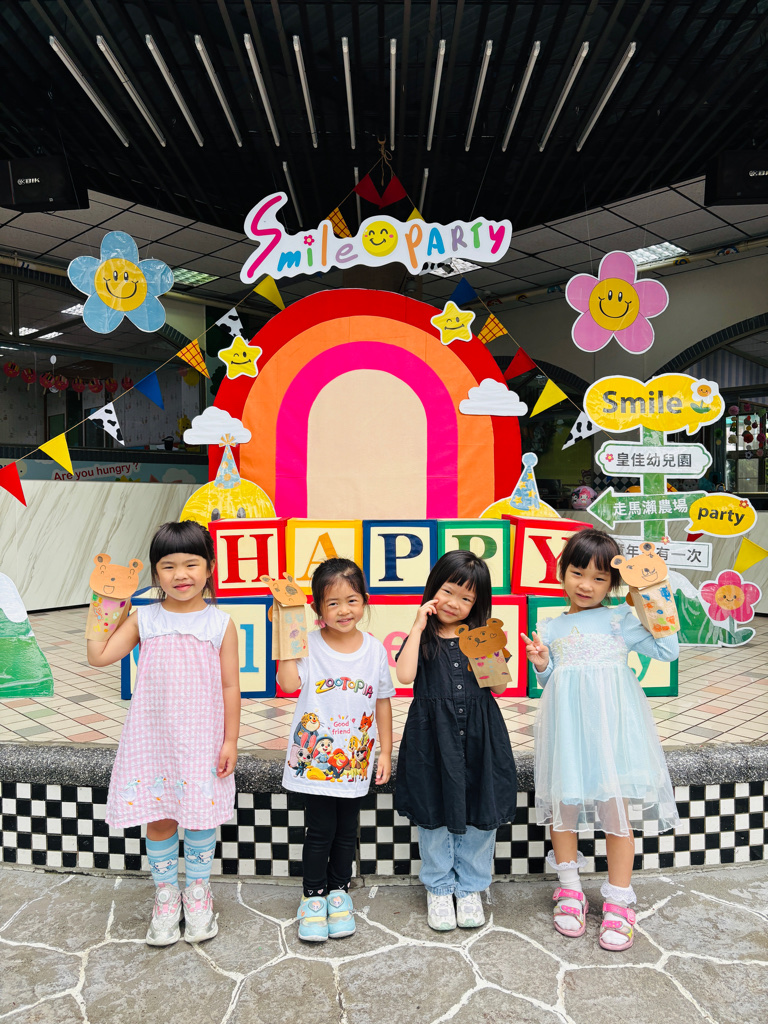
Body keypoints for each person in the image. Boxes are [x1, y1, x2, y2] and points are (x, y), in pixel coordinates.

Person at [522, 529, 679, 952]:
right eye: (577, 573)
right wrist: (542, 665)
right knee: (564, 807)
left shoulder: (621, 619)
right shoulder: (550, 625)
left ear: (613, 584)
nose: (586, 585)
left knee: (616, 812)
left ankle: (619, 900)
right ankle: (570, 890)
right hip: (568, 731)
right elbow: (553, 681)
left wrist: (654, 597)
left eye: (599, 578)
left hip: (612, 732)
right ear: (562, 572)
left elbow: (668, 652)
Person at [86, 521, 240, 947]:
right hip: (153, 739)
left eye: (191, 564)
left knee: (200, 817)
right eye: (168, 566)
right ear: (155, 573)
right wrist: (106, 601)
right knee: (159, 816)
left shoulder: (220, 623)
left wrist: (231, 740)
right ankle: (166, 895)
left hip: (202, 739)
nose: (181, 574)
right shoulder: (145, 618)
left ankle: (198, 892)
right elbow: (98, 655)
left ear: (210, 568)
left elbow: (230, 685)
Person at [394, 550, 517, 932]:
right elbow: (404, 675)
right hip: (431, 738)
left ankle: (470, 888)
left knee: (481, 810)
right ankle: (438, 886)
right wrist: (417, 626)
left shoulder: (479, 637)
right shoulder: (423, 638)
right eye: (448, 591)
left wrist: (491, 649)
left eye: (466, 598)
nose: (454, 603)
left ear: (477, 604)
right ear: (434, 589)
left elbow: (499, 686)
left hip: (481, 734)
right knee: (433, 811)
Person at [278, 558, 394, 943]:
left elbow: (382, 701)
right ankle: (313, 897)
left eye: (352, 600)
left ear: (364, 601)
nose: (344, 610)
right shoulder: (309, 645)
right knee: (320, 831)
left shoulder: (374, 650)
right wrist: (285, 637)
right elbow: (288, 683)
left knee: (347, 831)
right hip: (317, 764)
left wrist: (385, 752)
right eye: (333, 603)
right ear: (317, 608)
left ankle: (339, 893)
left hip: (355, 761)